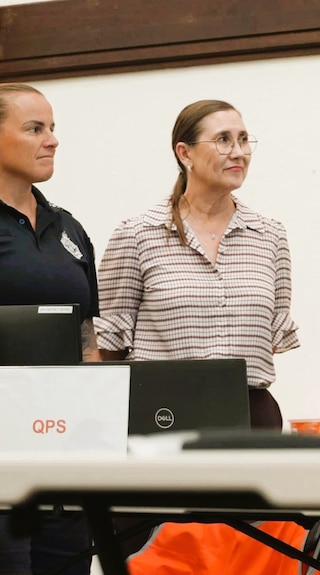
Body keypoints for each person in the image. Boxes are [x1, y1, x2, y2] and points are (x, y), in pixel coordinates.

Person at [95, 99, 299, 431]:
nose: (238, 152)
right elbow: (108, 346)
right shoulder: (137, 234)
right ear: (184, 153)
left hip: (253, 415)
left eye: (244, 139)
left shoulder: (270, 235)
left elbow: (271, 338)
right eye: (223, 140)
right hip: (164, 414)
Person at [0, 84, 97, 574]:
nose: (52, 139)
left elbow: (87, 337)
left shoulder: (69, 229)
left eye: (53, 128)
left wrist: (95, 429)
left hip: (61, 451)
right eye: (34, 128)